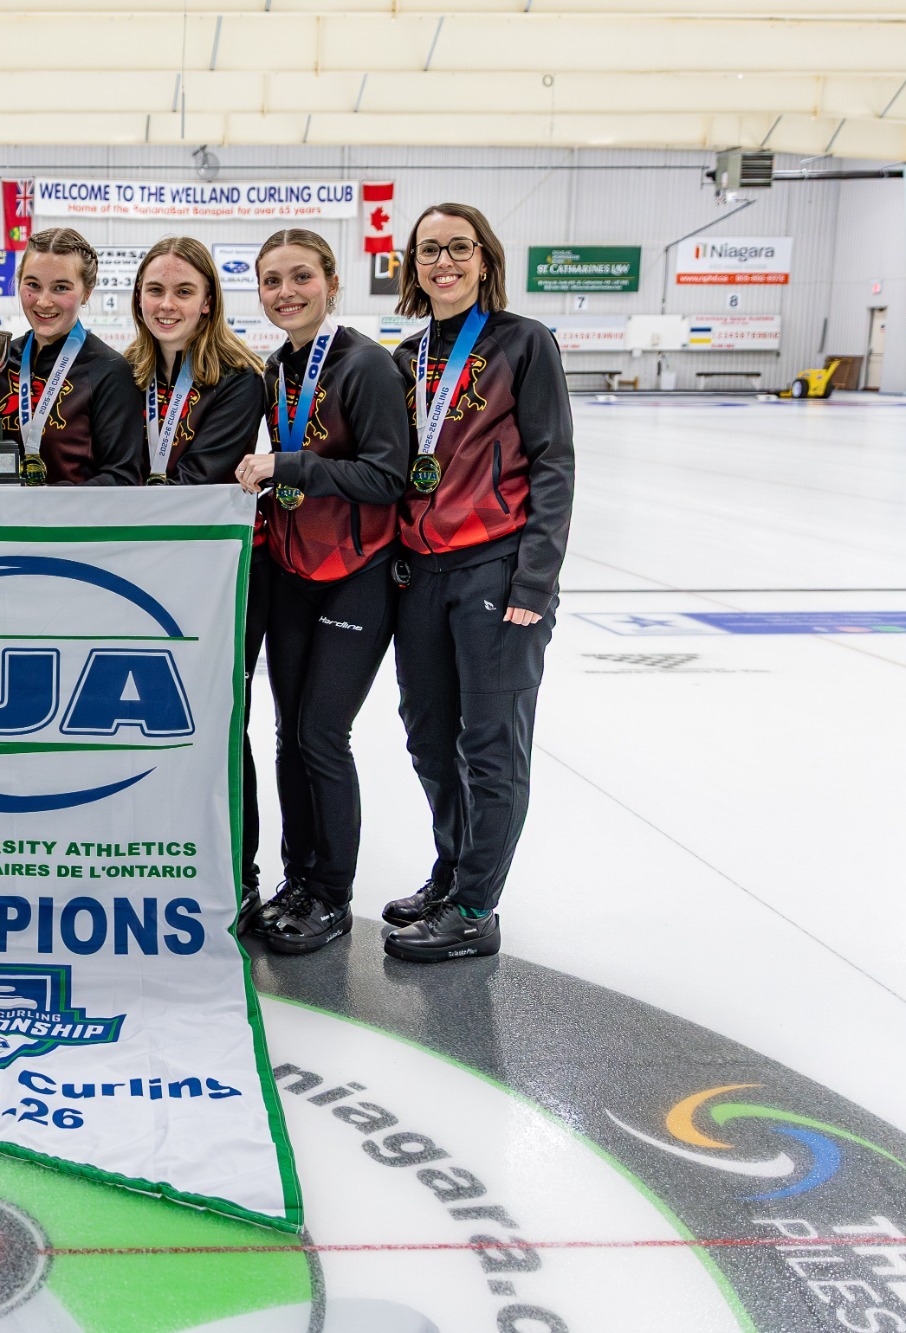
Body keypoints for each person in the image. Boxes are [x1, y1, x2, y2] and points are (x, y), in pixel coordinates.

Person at [381, 204, 574, 964]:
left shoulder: (524, 342)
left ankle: (474, 906)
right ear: (413, 266)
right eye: (429, 250)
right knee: (430, 737)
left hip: (496, 568)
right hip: (421, 574)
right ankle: (451, 872)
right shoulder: (406, 358)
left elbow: (553, 463)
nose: (444, 261)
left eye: (458, 247)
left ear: (485, 258)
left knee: (491, 745)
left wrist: (535, 580)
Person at [233, 229, 410, 955]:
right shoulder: (277, 366)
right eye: (272, 281)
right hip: (293, 572)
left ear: (332, 283)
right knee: (287, 735)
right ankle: (297, 880)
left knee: (321, 734)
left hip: (355, 576)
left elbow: (387, 476)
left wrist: (288, 466)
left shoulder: (366, 365)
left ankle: (332, 894)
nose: (286, 292)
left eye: (301, 276)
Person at [123, 237, 270, 898]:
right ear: (138, 299)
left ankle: (239, 871)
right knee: (150, 723)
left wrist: (117, 501)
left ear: (208, 300)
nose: (168, 304)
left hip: (217, 581)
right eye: (156, 290)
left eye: (184, 291)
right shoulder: (125, 373)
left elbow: (198, 480)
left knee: (220, 721)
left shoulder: (238, 378)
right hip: (142, 578)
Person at [0, 227, 141, 486]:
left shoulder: (109, 371)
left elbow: (121, 476)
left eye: (60, 288)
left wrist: (52, 500)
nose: (43, 301)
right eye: (33, 285)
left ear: (87, 292)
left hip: (73, 513)